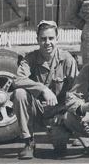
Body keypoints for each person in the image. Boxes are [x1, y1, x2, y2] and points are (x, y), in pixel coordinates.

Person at [12, 20, 78, 159]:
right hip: (37, 109)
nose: (47, 42)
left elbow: (76, 90)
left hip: (58, 112)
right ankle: (28, 142)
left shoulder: (67, 59)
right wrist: (43, 89)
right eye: (43, 39)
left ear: (57, 39)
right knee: (19, 93)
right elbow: (18, 79)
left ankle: (66, 133)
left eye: (51, 38)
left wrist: (65, 113)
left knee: (60, 149)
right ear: (37, 40)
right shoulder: (30, 58)